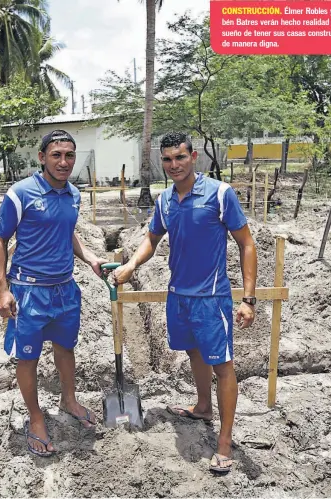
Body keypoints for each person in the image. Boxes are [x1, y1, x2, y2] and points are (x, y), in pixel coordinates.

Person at [112, 132, 257, 473]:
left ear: (194, 157)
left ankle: (224, 442)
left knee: (222, 365)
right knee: (193, 351)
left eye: (179, 157)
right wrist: (132, 264)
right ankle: (203, 407)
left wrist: (248, 298)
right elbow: (152, 237)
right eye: (167, 159)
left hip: (211, 299)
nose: (174, 165)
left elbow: (247, 244)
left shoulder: (220, 194)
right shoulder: (165, 200)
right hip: (178, 296)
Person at [0, 129, 107, 457]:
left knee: (65, 349)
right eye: (56, 155)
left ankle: (68, 400)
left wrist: (90, 258)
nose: (63, 161)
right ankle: (36, 417)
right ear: (42, 157)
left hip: (65, 290)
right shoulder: (20, 194)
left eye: (69, 155)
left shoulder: (73, 194)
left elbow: (69, 233)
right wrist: (3, 290)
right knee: (27, 358)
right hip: (29, 292)